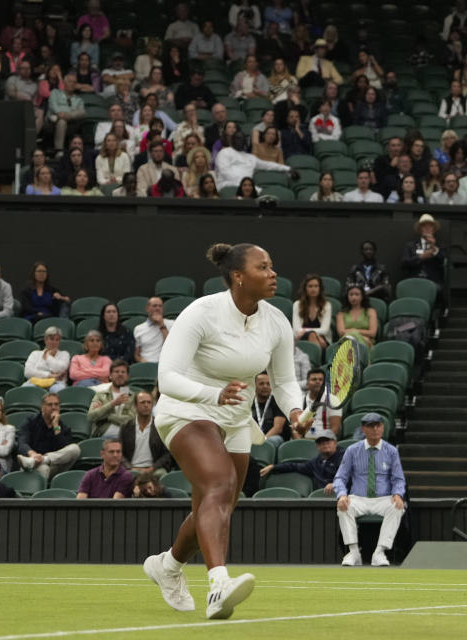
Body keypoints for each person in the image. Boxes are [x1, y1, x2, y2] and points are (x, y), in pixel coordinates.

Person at [143, 243, 303, 618]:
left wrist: (295, 409)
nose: (273, 273)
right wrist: (213, 393)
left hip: (234, 418)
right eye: (263, 267)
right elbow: (166, 378)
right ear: (238, 276)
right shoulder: (201, 313)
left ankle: (166, 567)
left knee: (218, 504)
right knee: (220, 485)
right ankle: (219, 584)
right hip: (186, 408)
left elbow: (283, 381)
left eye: (272, 266)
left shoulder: (276, 320)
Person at [333, 412, 406, 567]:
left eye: (378, 425)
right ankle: (353, 552)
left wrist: (398, 494)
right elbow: (340, 477)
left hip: (383, 498)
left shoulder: (391, 451)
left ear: (383, 428)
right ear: (363, 429)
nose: (375, 429)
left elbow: (398, 478)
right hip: (359, 498)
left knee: (397, 507)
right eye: (370, 426)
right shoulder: (352, 450)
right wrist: (342, 495)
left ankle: (380, 552)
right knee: (343, 507)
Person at [16, 393, 81, 480]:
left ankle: (44, 459)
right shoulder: (31, 421)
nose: (54, 407)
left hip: (55, 466)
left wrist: (56, 426)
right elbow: (22, 442)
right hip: (34, 465)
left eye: (56, 404)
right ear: (42, 407)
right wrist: (33, 455)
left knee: (75, 449)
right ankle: (36, 463)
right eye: (50, 404)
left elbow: (64, 450)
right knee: (43, 468)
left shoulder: (64, 428)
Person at [260, 429, 343, 494]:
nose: (325, 444)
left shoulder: (345, 456)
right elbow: (295, 466)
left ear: (335, 443)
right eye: (321, 442)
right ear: (317, 446)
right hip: (323, 498)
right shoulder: (316, 462)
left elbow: (349, 474)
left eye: (328, 441)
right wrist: (273, 467)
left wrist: (335, 484)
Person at [119, 391, 171, 475]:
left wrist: (152, 468)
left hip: (154, 469)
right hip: (130, 469)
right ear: (135, 406)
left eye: (149, 402)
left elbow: (167, 455)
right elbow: (119, 452)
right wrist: (130, 467)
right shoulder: (126, 426)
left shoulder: (160, 426)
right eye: (143, 402)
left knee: (162, 474)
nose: (146, 405)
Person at [87, 359, 134, 438]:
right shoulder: (100, 395)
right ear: (110, 376)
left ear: (127, 376)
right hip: (103, 436)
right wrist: (113, 404)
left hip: (127, 436)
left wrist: (107, 416)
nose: (120, 374)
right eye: (116, 371)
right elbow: (91, 416)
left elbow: (132, 421)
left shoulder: (133, 397)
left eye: (123, 372)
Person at [294, 369, 342, 438]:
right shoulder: (300, 400)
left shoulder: (333, 400)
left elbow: (335, 428)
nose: (318, 382)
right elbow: (295, 427)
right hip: (303, 441)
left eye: (321, 380)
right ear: (307, 383)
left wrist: (322, 442)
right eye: (314, 379)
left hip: (324, 441)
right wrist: (299, 443)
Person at [401, 213, 445, 286]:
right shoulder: (411, 245)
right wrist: (420, 257)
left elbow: (443, 262)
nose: (427, 228)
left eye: (430, 226)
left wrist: (433, 247)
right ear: (420, 229)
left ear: (433, 229)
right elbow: (404, 264)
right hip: (414, 282)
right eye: (424, 226)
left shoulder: (440, 246)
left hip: (433, 283)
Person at [23, 326, 70, 393]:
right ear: (45, 340)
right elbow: (27, 372)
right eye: (51, 339)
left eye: (57, 340)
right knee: (25, 390)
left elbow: (60, 369)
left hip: (57, 383)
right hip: (35, 382)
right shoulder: (35, 354)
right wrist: (50, 375)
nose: (54, 342)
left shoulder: (64, 354)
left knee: (59, 390)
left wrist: (48, 356)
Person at [292, 275, 331, 349]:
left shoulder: (326, 305)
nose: (313, 289)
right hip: (301, 337)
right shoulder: (297, 304)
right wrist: (312, 334)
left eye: (316, 286)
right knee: (311, 335)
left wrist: (312, 333)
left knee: (312, 335)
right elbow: (296, 329)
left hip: (322, 338)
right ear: (305, 288)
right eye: (310, 286)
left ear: (320, 288)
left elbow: (325, 330)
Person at [133, 297, 173, 363]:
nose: (157, 308)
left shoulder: (171, 324)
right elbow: (136, 355)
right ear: (147, 308)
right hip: (146, 364)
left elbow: (170, 346)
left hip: (164, 364)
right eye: (154, 306)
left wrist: (161, 325)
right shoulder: (138, 329)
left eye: (160, 306)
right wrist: (142, 361)